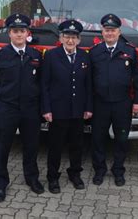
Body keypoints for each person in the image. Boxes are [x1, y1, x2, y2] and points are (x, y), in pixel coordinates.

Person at [0, 13, 44, 203]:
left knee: (31, 146)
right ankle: (0, 184)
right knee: (3, 146)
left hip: (30, 109)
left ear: (27, 33)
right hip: (7, 108)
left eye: (22, 31)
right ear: (9, 33)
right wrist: (5, 95)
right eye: (15, 31)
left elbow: (41, 82)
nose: (19, 35)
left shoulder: (36, 55)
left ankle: (32, 178)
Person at [89, 13, 138, 186]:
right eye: (107, 30)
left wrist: (136, 102)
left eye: (113, 30)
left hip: (122, 103)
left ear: (119, 32)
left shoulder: (129, 51)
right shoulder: (95, 52)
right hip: (100, 103)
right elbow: (88, 81)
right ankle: (99, 170)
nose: (110, 33)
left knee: (121, 139)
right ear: (102, 32)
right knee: (98, 139)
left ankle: (118, 171)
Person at [41, 19, 93, 194]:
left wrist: (88, 107)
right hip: (57, 112)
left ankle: (75, 174)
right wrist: (46, 109)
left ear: (79, 40)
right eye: (67, 37)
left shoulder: (85, 57)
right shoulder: (51, 56)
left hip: (78, 111)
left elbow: (88, 85)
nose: (70, 41)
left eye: (74, 37)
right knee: (55, 146)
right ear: (61, 38)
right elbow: (44, 85)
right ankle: (52, 177)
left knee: (77, 145)